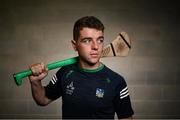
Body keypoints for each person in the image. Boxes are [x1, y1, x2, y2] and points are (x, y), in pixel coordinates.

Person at [29, 16, 134, 119]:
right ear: (75, 45)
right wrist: (35, 82)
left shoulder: (117, 81)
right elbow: (42, 99)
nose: (96, 47)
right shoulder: (65, 72)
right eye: (87, 40)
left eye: (100, 40)